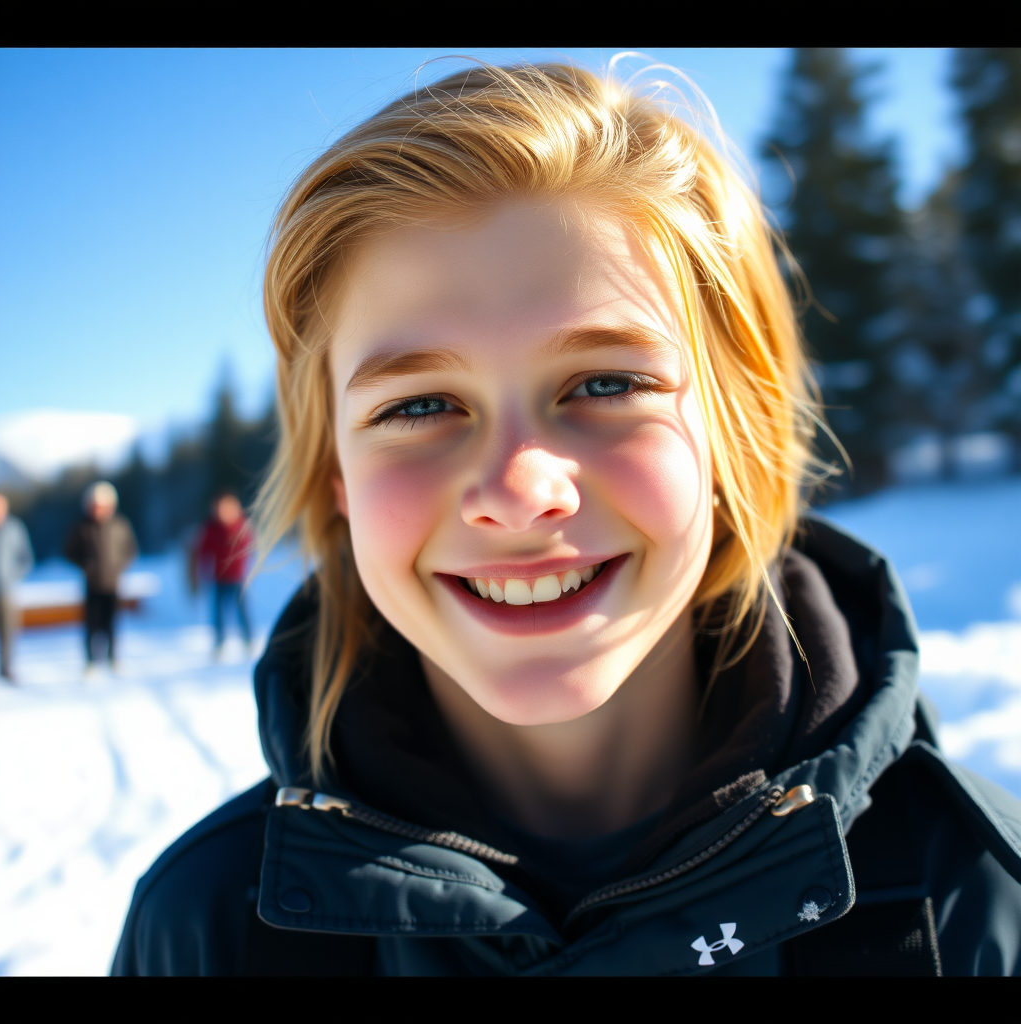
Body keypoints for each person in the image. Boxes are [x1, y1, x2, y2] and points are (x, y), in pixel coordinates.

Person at [113, 63, 1021, 976]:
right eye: (420, 406)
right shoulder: (209, 932)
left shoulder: (970, 893)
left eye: (606, 383)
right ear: (337, 478)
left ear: (732, 431)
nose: (517, 489)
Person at [65, 481, 137, 674]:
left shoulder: (120, 525)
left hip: (113, 584)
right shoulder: (82, 527)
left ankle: (113, 658)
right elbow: (69, 551)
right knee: (91, 624)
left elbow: (131, 550)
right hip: (91, 584)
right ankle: (90, 661)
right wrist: (85, 565)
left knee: (112, 624)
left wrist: (119, 567)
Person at [190, 492, 254, 656]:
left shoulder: (241, 526)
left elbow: (250, 547)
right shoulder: (211, 528)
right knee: (218, 612)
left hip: (238, 577)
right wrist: (198, 573)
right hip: (219, 577)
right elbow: (202, 551)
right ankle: (219, 642)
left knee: (242, 610)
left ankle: (248, 640)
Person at [0, 492, 34, 683]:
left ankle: (7, 668)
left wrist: (12, 577)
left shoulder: (15, 528)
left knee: (8, 632)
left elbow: (26, 559)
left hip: (6, 592)